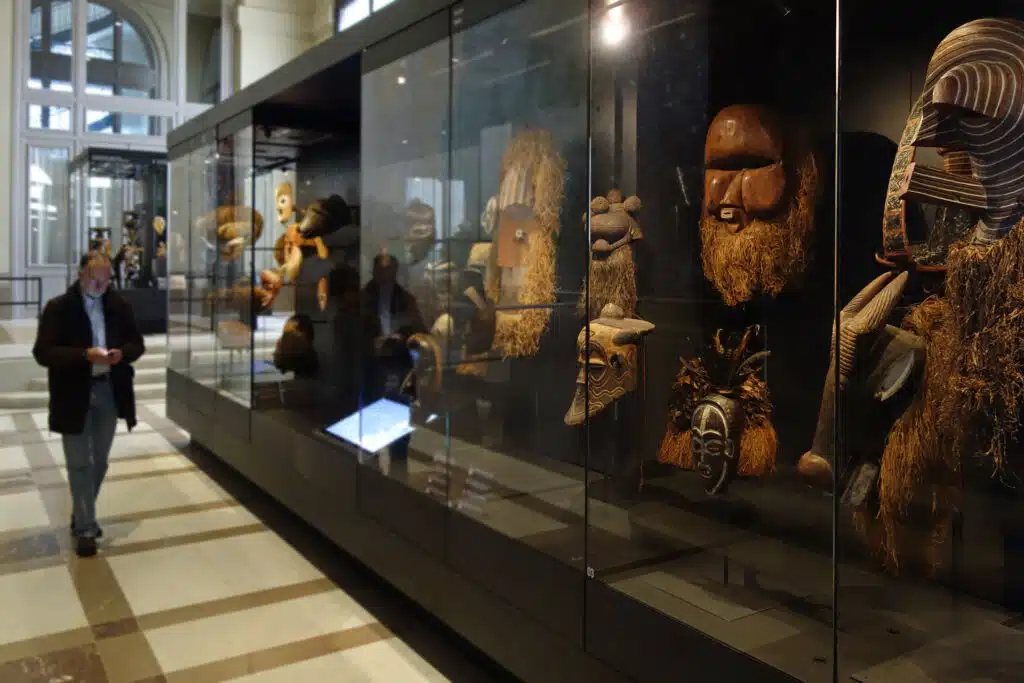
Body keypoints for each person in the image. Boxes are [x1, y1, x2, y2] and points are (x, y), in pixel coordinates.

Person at [33, 250, 145, 557]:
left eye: (106, 280)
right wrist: (84, 355)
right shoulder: (59, 308)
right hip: (73, 393)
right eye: (95, 280)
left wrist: (122, 354)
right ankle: (86, 528)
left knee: (100, 462)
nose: (100, 286)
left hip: (109, 389)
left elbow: (137, 344)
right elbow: (43, 352)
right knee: (79, 462)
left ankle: (81, 512)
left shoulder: (119, 306)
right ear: (81, 274)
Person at [360, 251, 424, 471]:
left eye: (390, 271)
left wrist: (401, 338)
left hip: (398, 362)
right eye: (382, 271)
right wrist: (371, 344)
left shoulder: (405, 298)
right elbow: (354, 331)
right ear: (374, 272)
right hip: (372, 364)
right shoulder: (364, 298)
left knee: (399, 417)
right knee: (371, 416)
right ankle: (370, 468)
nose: (386, 276)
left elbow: (419, 329)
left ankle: (399, 462)